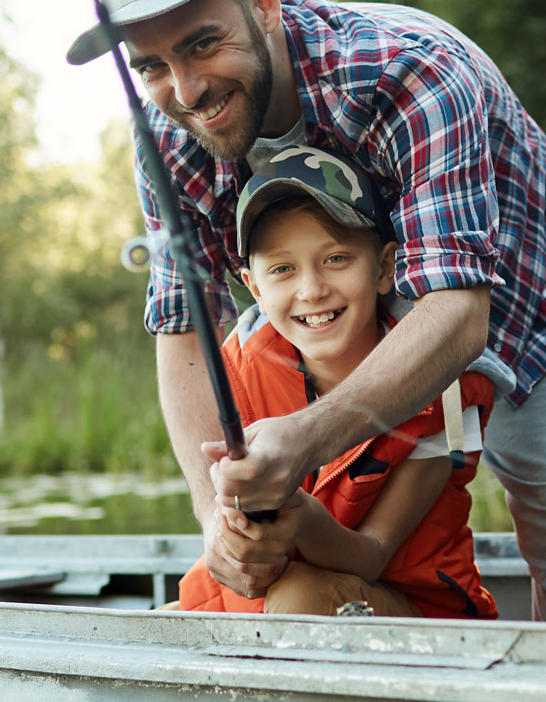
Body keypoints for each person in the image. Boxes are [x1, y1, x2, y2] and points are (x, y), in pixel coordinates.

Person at [67, 0, 546, 624]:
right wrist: (210, 509)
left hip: (507, 296)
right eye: (152, 65)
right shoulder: (168, 133)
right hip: (336, 302)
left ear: (265, 4)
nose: (185, 91)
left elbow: (458, 314)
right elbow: (183, 323)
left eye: (203, 43)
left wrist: (310, 433)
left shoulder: (411, 70)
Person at [173, 146, 505, 618]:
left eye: (336, 258)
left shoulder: (443, 385)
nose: (311, 289)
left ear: (386, 268)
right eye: (282, 269)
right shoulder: (235, 373)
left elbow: (371, 554)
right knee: (162, 623)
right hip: (264, 602)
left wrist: (302, 519)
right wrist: (237, 542)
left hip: (412, 610)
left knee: (299, 598)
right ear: (255, 289)